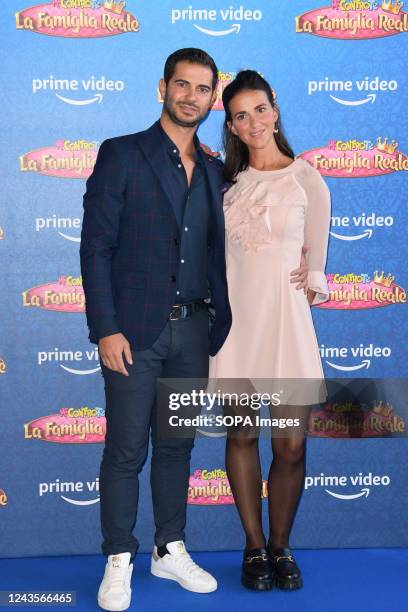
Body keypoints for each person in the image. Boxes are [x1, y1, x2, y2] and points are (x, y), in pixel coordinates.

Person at [80, 49, 308, 610]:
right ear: (163, 87)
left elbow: (223, 252)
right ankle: (118, 557)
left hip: (193, 337)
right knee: (127, 449)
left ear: (213, 100)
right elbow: (96, 247)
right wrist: (106, 326)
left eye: (203, 89)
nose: (191, 96)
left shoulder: (214, 171)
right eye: (182, 85)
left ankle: (169, 547)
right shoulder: (122, 155)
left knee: (177, 448)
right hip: (134, 336)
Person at [209, 70, 331, 591]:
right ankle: (254, 548)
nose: (252, 121)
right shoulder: (222, 185)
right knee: (241, 435)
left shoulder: (307, 177)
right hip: (236, 330)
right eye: (240, 115)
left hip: (287, 326)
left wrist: (316, 277)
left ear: (275, 111)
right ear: (232, 128)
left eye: (259, 109)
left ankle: (282, 546)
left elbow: (317, 263)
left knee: (290, 448)